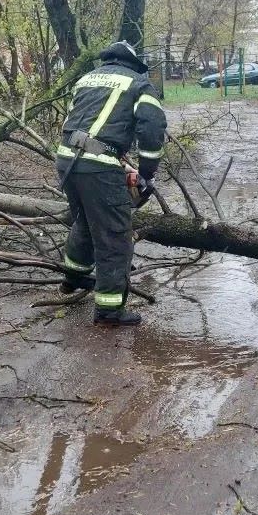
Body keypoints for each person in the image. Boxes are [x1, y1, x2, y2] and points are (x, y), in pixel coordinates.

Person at [55, 40, 167, 326]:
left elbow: (86, 125)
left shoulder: (86, 79)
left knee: (85, 219)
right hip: (98, 167)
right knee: (114, 236)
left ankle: (74, 278)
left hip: (67, 159)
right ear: (133, 63)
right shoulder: (138, 84)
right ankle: (108, 310)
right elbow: (152, 131)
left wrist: (120, 163)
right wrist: (146, 173)